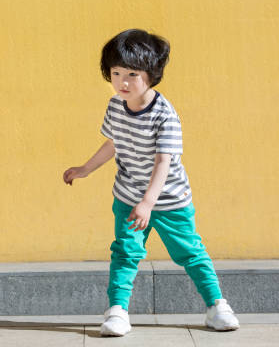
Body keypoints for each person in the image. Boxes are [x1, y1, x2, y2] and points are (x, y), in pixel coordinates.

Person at [62, 29, 240, 336]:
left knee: (190, 252)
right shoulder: (116, 106)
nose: (123, 82)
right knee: (125, 253)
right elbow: (112, 143)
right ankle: (117, 311)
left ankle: (217, 306)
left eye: (132, 73)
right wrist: (85, 169)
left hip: (169, 200)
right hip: (129, 197)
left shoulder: (165, 115)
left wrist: (148, 203)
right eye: (116, 73)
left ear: (151, 74)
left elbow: (163, 162)